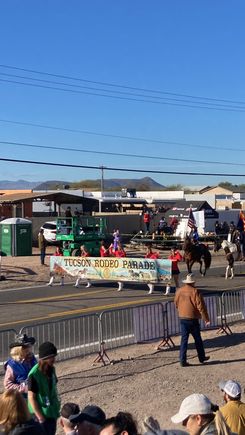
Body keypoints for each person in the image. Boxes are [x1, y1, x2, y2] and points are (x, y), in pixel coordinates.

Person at [174, 274, 210, 367]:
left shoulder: (179, 291)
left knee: (184, 340)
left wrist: (181, 311)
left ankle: (182, 360)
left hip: (183, 318)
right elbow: (201, 306)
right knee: (198, 339)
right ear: (193, 282)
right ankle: (201, 357)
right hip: (193, 318)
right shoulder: (195, 291)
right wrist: (206, 318)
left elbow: (176, 303)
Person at [28, 341, 60, 435]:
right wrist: (40, 418)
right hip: (39, 415)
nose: (54, 359)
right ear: (45, 358)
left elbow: (53, 388)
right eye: (52, 357)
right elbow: (31, 398)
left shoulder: (52, 369)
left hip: (51, 411)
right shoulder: (34, 374)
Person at [4, 334, 36, 398]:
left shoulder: (32, 359)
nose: (29, 349)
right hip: (21, 399)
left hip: (35, 395)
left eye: (28, 346)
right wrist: (24, 388)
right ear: (18, 350)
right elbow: (8, 385)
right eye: (25, 347)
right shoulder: (12, 365)